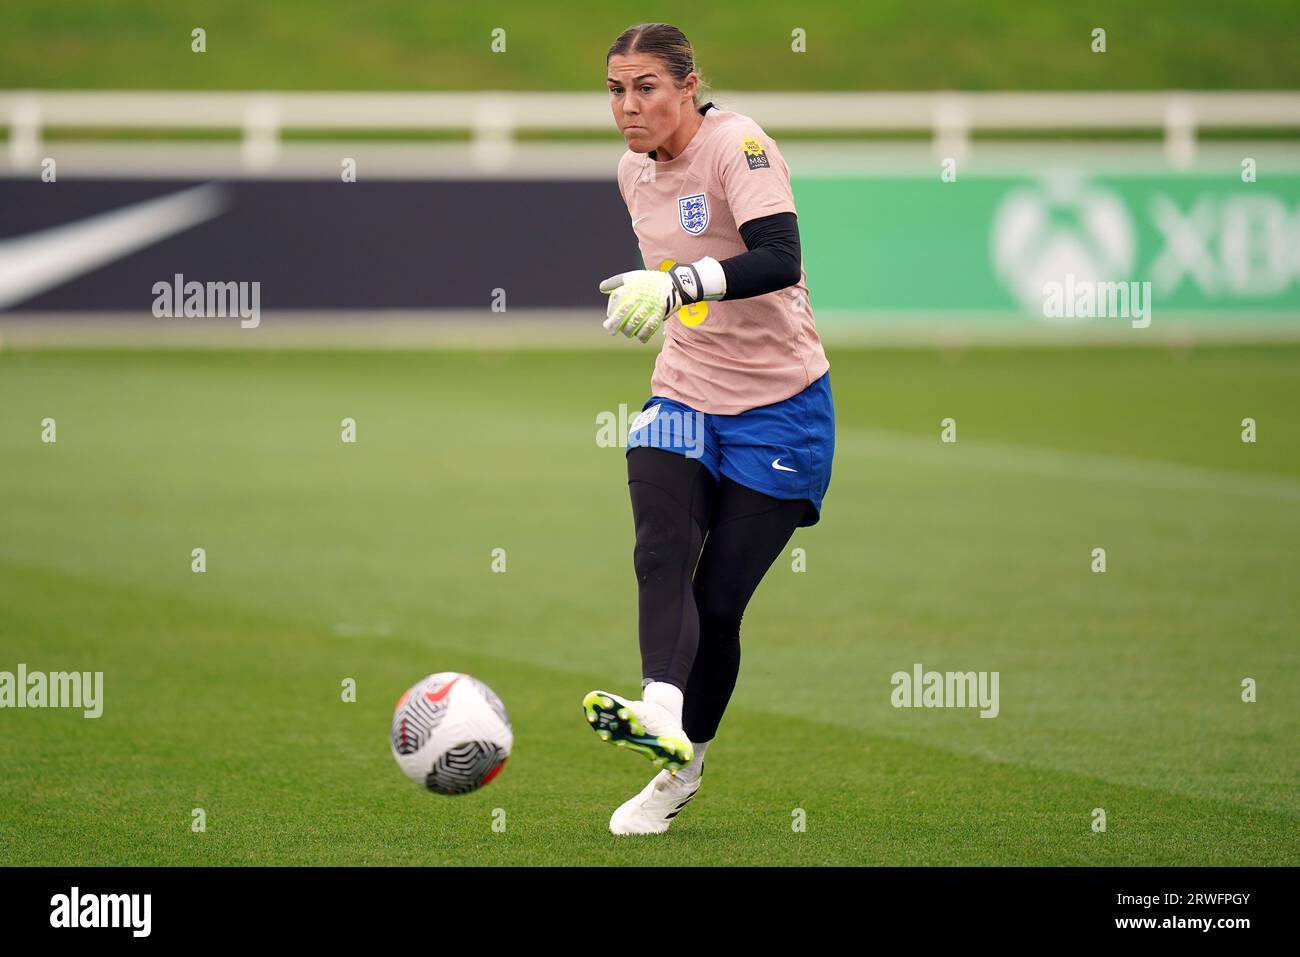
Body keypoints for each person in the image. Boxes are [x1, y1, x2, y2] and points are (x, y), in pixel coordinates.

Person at [583, 22, 835, 835]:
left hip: (782, 407)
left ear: (688, 86)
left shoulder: (740, 146)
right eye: (617, 89)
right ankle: (659, 707)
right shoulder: (631, 171)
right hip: (685, 390)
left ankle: (680, 771)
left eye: (646, 87)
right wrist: (661, 297)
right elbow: (684, 289)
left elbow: (780, 256)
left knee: (718, 603)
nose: (629, 106)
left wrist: (680, 280)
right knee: (658, 546)